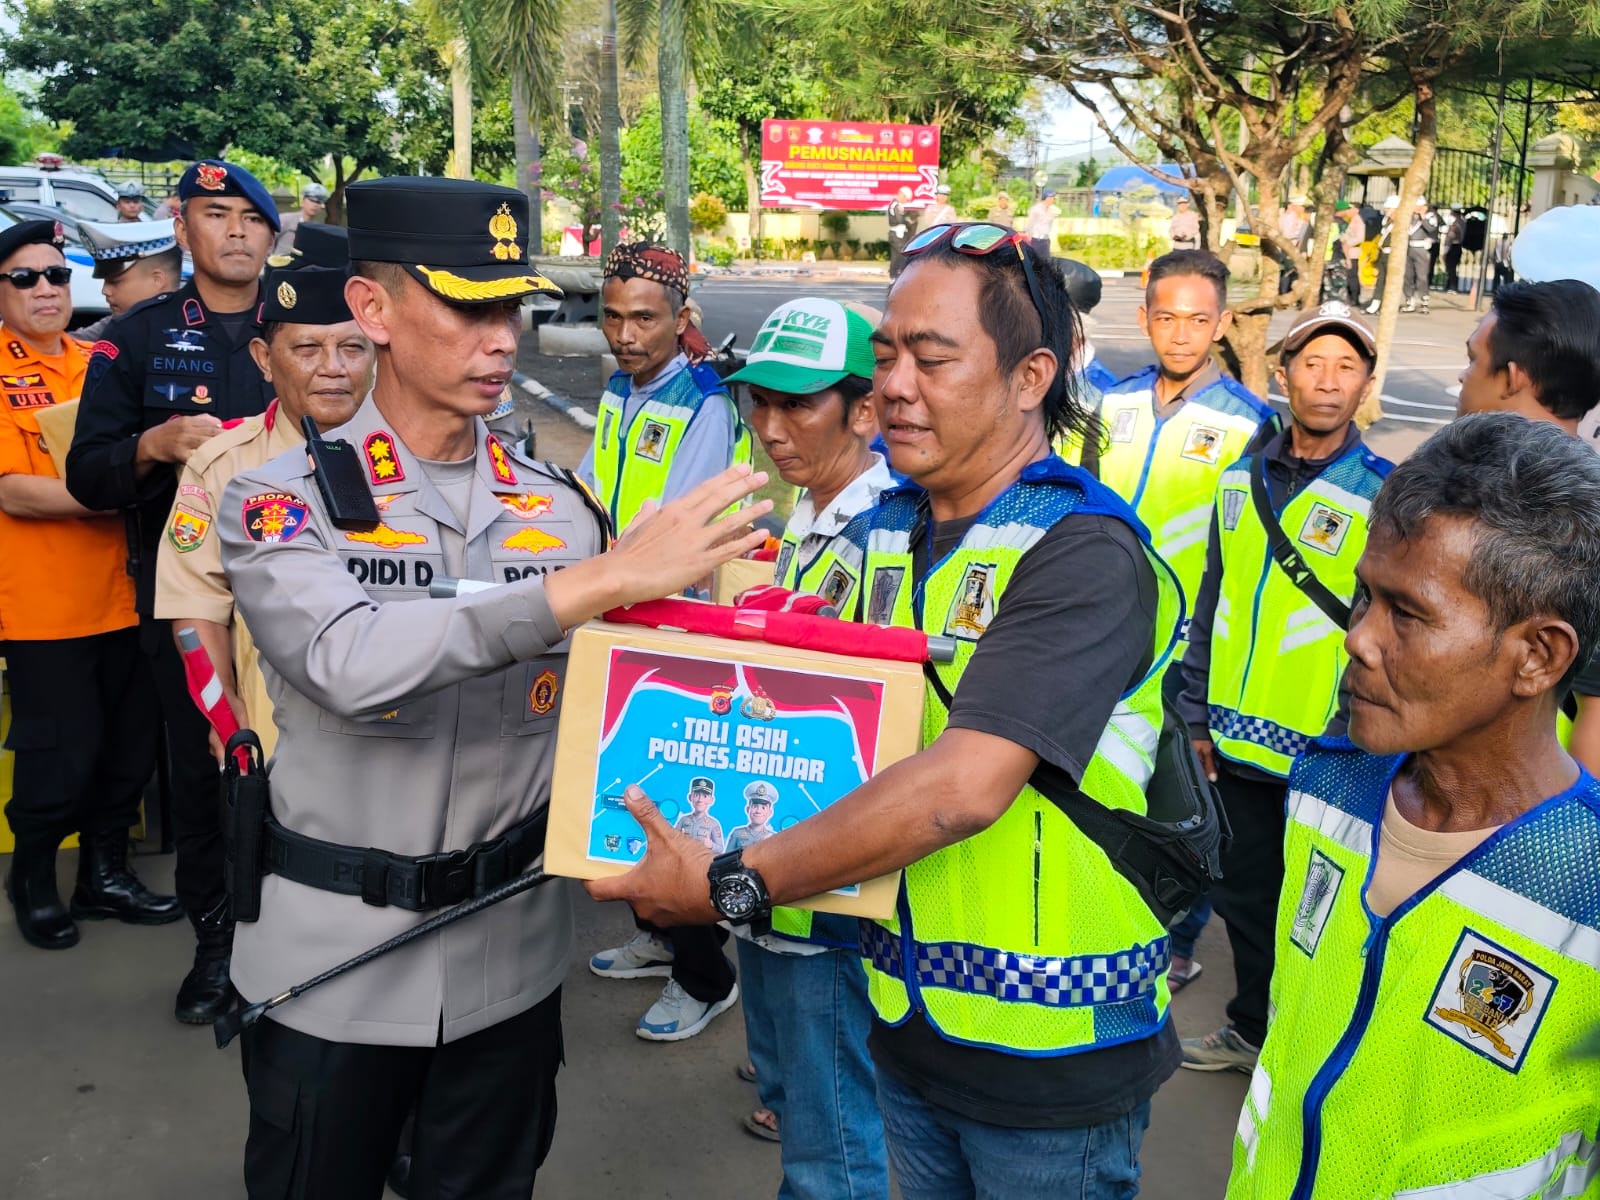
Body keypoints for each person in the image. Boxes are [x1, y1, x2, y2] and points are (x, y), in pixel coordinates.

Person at [589, 220, 1187, 1198]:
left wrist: (728, 881)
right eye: (887, 355)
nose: (896, 385)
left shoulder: (1081, 551)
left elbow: (960, 790)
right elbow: (796, 716)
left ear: (1030, 378)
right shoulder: (884, 533)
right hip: (908, 1018)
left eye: (932, 359)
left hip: (1050, 1053)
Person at [219, 175, 772, 1199]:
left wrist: (764, 667)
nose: (501, 339)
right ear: (373, 308)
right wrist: (595, 584)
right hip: (334, 967)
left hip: (508, 965)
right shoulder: (279, 502)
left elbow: (629, 696)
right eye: (468, 307)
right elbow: (346, 662)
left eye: (510, 308)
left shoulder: (563, 509)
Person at [1225, 412, 1600, 1198]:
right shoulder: (1326, 788)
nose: (1358, 639)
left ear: (1538, 656)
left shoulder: (1588, 884)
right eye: (1364, 596)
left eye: (1407, 613)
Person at [65, 158, 280, 1025]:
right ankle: (219, 947)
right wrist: (153, 445)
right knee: (203, 771)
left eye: (251, 218)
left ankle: (302, 942)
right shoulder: (137, 337)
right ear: (182, 229)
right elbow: (86, 473)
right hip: (188, 601)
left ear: (272, 235)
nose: (236, 231)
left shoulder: (310, 323)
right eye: (215, 214)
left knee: (314, 766)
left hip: (303, 594)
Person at [1176, 301, 1394, 1074]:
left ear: (1366, 385)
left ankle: (1307, 1049)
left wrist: (1356, 733)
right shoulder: (1238, 479)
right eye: (1313, 364)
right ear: (1284, 373)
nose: (1328, 382)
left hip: (1326, 749)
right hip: (1233, 740)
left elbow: (1386, 629)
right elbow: (1215, 600)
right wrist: (1194, 713)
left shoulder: (1385, 494)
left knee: (1318, 912)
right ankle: (1252, 1030)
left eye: (1346, 367)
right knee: (1243, 897)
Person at [714, 293, 893, 1192]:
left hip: (827, 884)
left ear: (865, 411)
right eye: (761, 402)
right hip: (775, 866)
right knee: (804, 1096)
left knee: (834, 1147)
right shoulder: (814, 520)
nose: (771, 427)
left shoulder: (883, 534)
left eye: (798, 405)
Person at [0, 219, 179, 950]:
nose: (46, 289)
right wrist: (115, 490)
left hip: (131, 594)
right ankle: (34, 879)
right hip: (48, 605)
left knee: (129, 750)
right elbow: (14, 491)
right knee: (59, 754)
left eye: (56, 275)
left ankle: (104, 877)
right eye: (24, 278)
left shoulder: (100, 360)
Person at [154, 263, 374, 762]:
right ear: (264, 359)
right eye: (307, 349)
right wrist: (227, 718)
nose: (333, 367)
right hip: (278, 736)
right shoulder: (224, 465)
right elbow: (195, 604)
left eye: (352, 347)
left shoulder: (415, 455)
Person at [1098, 250, 1279, 673]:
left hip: (1184, 646)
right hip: (1100, 625)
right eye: (1166, 319)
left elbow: (1249, 556)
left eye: (1198, 320)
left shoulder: (1250, 423)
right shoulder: (1111, 403)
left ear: (1222, 324)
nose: (1181, 336)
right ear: (1144, 319)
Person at [1452, 279, 1600, 778]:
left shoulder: (1450, 498)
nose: (1463, 376)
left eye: (1473, 359)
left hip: (1511, 798)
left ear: (1512, 377)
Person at [579, 241, 750, 531]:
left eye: (644, 318)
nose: (624, 336)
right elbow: (589, 483)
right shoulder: (618, 387)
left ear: (681, 320)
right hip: (612, 555)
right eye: (613, 316)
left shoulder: (702, 404)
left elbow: (680, 527)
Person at [74, 217, 183, 342]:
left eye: (115, 281)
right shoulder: (114, 326)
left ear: (156, 281)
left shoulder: (193, 333)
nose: (105, 290)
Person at [1402, 195, 1439, 313]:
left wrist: (1423, 217)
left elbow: (1431, 229)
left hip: (1421, 248)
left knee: (1421, 276)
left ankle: (1424, 300)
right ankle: (1409, 300)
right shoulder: (1410, 216)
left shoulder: (1430, 216)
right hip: (1409, 248)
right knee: (1408, 275)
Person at [1365, 194, 1400, 315]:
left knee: (1390, 281)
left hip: (1393, 254)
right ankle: (1376, 303)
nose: (1386, 211)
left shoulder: (1399, 222)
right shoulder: (1386, 221)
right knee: (1380, 279)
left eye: (1389, 209)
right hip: (1383, 252)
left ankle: (1386, 305)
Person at [272, 182, 328, 255]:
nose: (315, 205)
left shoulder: (318, 228)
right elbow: (268, 241)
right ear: (303, 201)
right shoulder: (286, 219)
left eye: (319, 202)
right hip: (279, 260)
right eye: (312, 200)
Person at [675, 777, 726, 852]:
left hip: (701, 858)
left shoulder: (713, 824)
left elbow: (720, 849)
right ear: (690, 797)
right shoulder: (683, 820)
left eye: (705, 796)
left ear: (711, 800)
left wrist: (711, 845)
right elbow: (673, 839)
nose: (700, 800)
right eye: (696, 795)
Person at [725, 783, 776, 852]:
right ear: (747, 809)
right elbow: (726, 857)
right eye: (754, 806)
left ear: (770, 812)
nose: (758, 811)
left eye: (763, 808)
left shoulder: (773, 837)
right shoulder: (737, 833)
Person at [1335, 200, 1364, 306]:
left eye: (1350, 209)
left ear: (1356, 210)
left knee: (1352, 276)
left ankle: (1354, 298)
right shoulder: (1351, 221)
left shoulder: (1358, 222)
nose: (1348, 211)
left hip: (1352, 252)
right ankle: (1350, 297)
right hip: (1347, 251)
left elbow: (1360, 237)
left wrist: (1348, 243)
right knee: (1348, 275)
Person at [886, 186, 918, 279]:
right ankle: (898, 275)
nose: (906, 201)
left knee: (896, 256)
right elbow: (900, 219)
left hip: (896, 234)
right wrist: (909, 221)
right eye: (906, 199)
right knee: (903, 254)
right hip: (897, 234)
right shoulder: (896, 205)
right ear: (903, 195)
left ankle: (893, 276)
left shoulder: (894, 204)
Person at [1024, 190, 1059, 259]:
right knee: (1036, 261)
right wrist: (1029, 237)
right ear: (1047, 198)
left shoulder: (1051, 210)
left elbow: (1057, 213)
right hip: (1037, 240)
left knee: (1046, 261)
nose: (1053, 200)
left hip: (1046, 240)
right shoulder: (1036, 209)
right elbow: (1030, 224)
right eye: (1052, 198)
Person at [1442, 204, 1466, 292]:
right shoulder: (1462, 222)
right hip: (1457, 246)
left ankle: (1452, 286)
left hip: (1454, 246)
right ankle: (1450, 285)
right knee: (1452, 267)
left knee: (1451, 267)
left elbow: (1451, 237)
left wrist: (1445, 249)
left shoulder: (1456, 224)